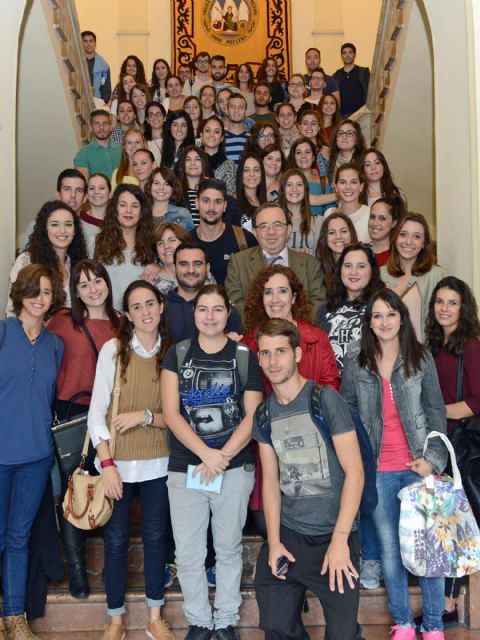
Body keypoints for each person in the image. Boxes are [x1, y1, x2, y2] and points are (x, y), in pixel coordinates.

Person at [341, 288, 448, 640]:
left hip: (418, 467)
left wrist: (432, 460)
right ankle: (402, 622)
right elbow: (349, 413)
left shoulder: (420, 355)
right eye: (377, 315)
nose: (384, 321)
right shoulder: (357, 358)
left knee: (429, 549)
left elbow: (435, 411)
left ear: (401, 317)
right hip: (378, 470)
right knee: (390, 548)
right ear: (369, 322)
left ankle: (433, 625)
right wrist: (358, 463)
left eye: (390, 313)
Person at [161, 284, 263, 640]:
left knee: (229, 547)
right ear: (194, 313)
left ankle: (226, 619)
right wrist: (206, 455)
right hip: (186, 466)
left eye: (217, 310)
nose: (210, 316)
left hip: (233, 468)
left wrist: (223, 457)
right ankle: (200, 621)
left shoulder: (244, 356)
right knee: (189, 551)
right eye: (203, 309)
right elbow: (172, 414)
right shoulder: (178, 354)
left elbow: (252, 416)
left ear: (227, 312)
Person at [253, 318, 364, 640]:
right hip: (291, 536)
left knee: (343, 635)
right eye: (265, 353)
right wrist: (274, 543)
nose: (273, 361)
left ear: (298, 354)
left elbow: (355, 472)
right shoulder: (264, 414)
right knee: (275, 624)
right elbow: (271, 483)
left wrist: (341, 540)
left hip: (336, 535)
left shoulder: (325, 399)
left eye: (280, 352)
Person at [88, 280, 174, 640]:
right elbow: (97, 415)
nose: (145, 312)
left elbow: (179, 415)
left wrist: (145, 416)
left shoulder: (173, 352)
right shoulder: (114, 350)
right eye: (136, 307)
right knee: (117, 540)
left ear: (161, 307)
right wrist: (106, 465)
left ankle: (155, 616)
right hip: (117, 465)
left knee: (156, 539)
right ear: (126, 314)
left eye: (150, 304)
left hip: (158, 463)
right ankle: (115, 620)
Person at [0, 263, 65, 640]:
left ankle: (15, 617)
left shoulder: (55, 344)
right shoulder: (3, 333)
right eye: (33, 291)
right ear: (20, 294)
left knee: (19, 537)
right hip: (1, 453)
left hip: (36, 456)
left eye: (46, 292)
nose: (40, 299)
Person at [48, 260, 119, 599]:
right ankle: (77, 569)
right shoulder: (62, 322)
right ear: (75, 291)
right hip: (71, 414)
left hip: (107, 418)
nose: (93, 289)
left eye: (97, 281)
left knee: (108, 485)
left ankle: (112, 566)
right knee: (72, 487)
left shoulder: (122, 323)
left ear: (107, 282)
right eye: (84, 284)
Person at [425, 276, 480, 628]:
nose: (444, 308)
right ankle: (443, 602)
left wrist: (435, 409)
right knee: (440, 525)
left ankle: (449, 602)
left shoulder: (471, 346)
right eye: (439, 302)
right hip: (437, 447)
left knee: (453, 526)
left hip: (459, 446)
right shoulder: (431, 345)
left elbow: (477, 401)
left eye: (452, 302)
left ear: (464, 308)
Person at [225, 203, 325, 320]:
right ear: (255, 232)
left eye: (277, 225)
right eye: (264, 226)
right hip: (255, 335)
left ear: (288, 230)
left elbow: (318, 306)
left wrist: (293, 329)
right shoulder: (238, 263)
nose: (271, 232)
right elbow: (237, 308)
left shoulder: (311, 264)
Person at [7, 201, 88, 315]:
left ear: (75, 230)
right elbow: (12, 309)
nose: (62, 230)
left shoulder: (79, 265)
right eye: (55, 224)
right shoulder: (27, 261)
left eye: (68, 224)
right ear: (45, 229)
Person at [317, 242, 384, 375]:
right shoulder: (324, 311)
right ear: (340, 270)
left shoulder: (382, 308)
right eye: (348, 266)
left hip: (368, 388)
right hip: (331, 390)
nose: (353, 272)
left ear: (372, 270)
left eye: (361, 266)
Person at [381, 212, 448, 341]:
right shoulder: (379, 274)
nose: (408, 241)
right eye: (403, 235)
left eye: (416, 237)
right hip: (386, 356)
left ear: (424, 243)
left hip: (424, 356)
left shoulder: (438, 276)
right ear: (395, 238)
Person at [94, 184, 154, 310]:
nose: (129, 211)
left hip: (140, 318)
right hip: (106, 319)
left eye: (135, 206)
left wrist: (158, 267)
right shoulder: (97, 243)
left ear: (142, 212)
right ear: (114, 210)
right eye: (123, 205)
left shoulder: (153, 246)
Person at [191, 179, 257, 284]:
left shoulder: (244, 239)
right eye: (206, 201)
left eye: (217, 202)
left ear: (225, 206)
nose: (211, 208)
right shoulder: (187, 241)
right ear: (197, 203)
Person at [20, 168, 87, 252]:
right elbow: (24, 261)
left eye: (79, 190)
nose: (73, 195)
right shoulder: (36, 226)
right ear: (58, 194)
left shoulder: (91, 233)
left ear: (85, 198)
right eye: (67, 189)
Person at [287, 137, 336, 217]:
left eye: (307, 152)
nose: (303, 156)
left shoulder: (323, 181)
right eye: (299, 152)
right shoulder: (286, 180)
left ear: (313, 157)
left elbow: (330, 210)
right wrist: (339, 194)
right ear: (294, 157)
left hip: (317, 227)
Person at [278, 168, 321, 255]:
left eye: (299, 184)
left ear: (305, 190)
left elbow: (321, 259)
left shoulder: (319, 221)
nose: (294, 189)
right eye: (289, 185)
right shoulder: (274, 222)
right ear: (282, 190)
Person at [316, 212, 358, 299]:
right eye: (332, 233)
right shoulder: (317, 269)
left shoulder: (363, 265)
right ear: (325, 237)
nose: (338, 236)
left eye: (343, 231)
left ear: (351, 234)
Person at [324, 163, 370, 242]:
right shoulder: (328, 214)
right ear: (336, 187)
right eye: (342, 182)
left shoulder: (370, 214)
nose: (348, 187)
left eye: (353, 182)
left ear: (361, 186)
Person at [74, 110, 122, 181]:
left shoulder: (122, 149)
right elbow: (83, 183)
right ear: (91, 127)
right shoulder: (83, 154)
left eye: (105, 123)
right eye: (97, 124)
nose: (101, 127)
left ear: (110, 126)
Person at [145, 166, 194, 231]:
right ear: (150, 186)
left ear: (173, 188)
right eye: (156, 183)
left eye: (167, 184)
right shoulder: (141, 213)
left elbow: (191, 239)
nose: (161, 188)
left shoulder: (183, 214)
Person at [199, 115, 237, 197]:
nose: (211, 135)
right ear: (201, 136)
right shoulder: (193, 162)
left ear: (222, 138)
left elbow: (230, 196)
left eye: (216, 132)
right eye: (207, 131)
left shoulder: (230, 166)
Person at [151, 223, 192, 294]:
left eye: (172, 240)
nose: (166, 246)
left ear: (184, 244)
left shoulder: (201, 273)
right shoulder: (151, 283)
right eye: (160, 243)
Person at [333, 43, 370, 118]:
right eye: (344, 53)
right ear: (342, 56)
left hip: (361, 116)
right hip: (342, 117)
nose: (347, 55)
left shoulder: (363, 72)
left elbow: (371, 93)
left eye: (350, 52)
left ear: (354, 55)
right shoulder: (336, 75)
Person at [327, 119, 366, 186]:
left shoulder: (366, 161)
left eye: (349, 133)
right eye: (340, 133)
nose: (344, 137)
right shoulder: (329, 161)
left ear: (357, 139)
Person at [368, 196, 403, 266]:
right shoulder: (360, 252)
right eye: (372, 217)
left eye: (382, 218)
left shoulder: (400, 256)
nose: (375, 223)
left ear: (394, 223)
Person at [236, 152, 267, 231]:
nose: (252, 174)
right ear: (240, 174)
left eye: (256, 170)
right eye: (246, 170)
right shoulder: (232, 203)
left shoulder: (267, 204)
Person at [80, 172, 112, 248]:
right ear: (87, 194)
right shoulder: (78, 220)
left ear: (110, 193)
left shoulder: (119, 221)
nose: (96, 192)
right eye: (92, 188)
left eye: (101, 188)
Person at [82, 30, 111, 104]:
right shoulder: (76, 62)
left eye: (91, 41)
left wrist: (100, 104)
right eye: (85, 41)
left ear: (95, 43)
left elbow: (106, 91)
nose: (88, 44)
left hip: (97, 103)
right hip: (79, 101)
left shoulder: (104, 66)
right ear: (81, 44)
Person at [224, 94, 250, 163]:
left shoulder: (252, 140)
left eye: (241, 107)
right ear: (226, 111)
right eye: (232, 107)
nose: (236, 110)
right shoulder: (219, 139)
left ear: (246, 111)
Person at [144, 101, 167, 165]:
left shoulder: (172, 137)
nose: (155, 117)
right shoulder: (143, 141)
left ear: (164, 117)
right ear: (147, 120)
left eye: (158, 114)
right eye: (151, 115)